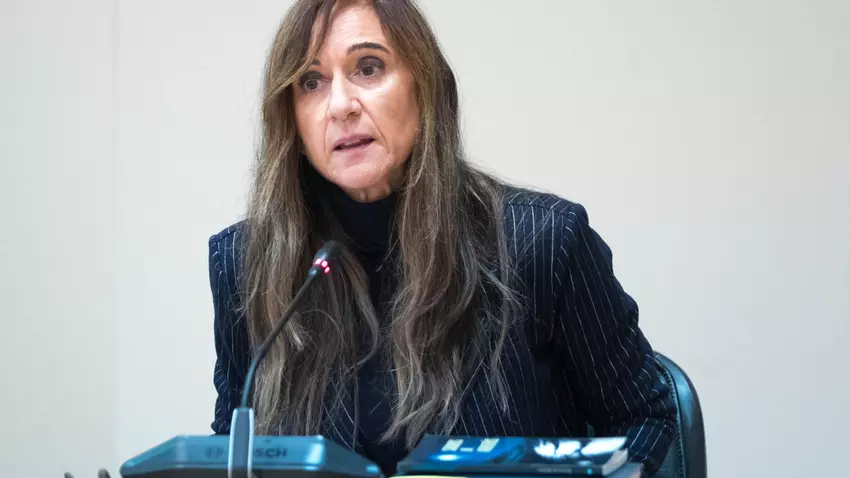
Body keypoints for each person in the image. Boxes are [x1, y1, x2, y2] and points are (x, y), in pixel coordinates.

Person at [208, 0, 676, 476]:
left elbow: (646, 417)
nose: (341, 105)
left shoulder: (542, 243)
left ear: (424, 86)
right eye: (311, 81)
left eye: (368, 68)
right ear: (291, 117)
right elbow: (232, 452)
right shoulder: (246, 266)